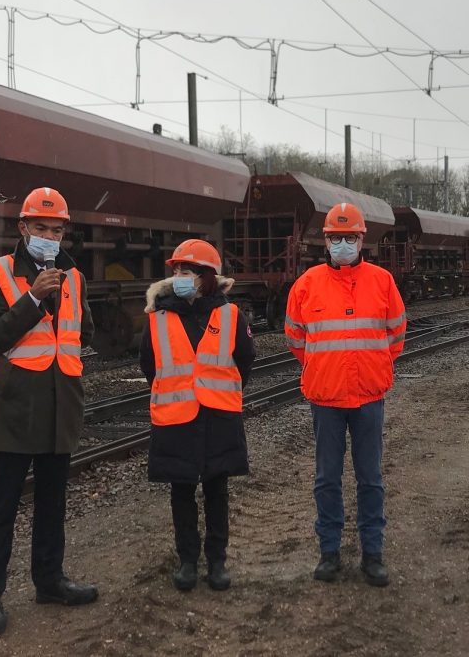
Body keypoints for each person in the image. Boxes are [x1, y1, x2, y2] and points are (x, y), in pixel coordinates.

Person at [0, 187, 98, 638]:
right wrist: (33, 300)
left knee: (52, 503)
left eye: (57, 229)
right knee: (2, 506)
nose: (49, 236)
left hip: (59, 402)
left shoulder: (75, 277)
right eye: (40, 228)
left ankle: (50, 581)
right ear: (23, 228)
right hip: (11, 406)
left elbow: (82, 330)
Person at [284, 202, 406, 587]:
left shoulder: (382, 281)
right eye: (335, 238)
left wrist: (371, 366)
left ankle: (373, 554)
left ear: (361, 239)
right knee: (327, 479)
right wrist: (325, 367)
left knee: (370, 478)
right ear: (326, 241)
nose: (342, 244)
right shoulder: (306, 285)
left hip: (368, 396)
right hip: (327, 398)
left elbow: (396, 334)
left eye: (349, 237)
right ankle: (329, 554)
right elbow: (295, 338)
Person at [140, 239, 254, 592]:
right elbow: (149, 365)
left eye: (186, 271)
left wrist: (217, 389)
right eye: (176, 271)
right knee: (182, 491)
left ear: (206, 277)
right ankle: (188, 561)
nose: (179, 277)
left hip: (218, 416)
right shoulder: (158, 317)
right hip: (178, 417)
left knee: (217, 489)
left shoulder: (231, 315)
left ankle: (216, 561)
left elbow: (245, 361)